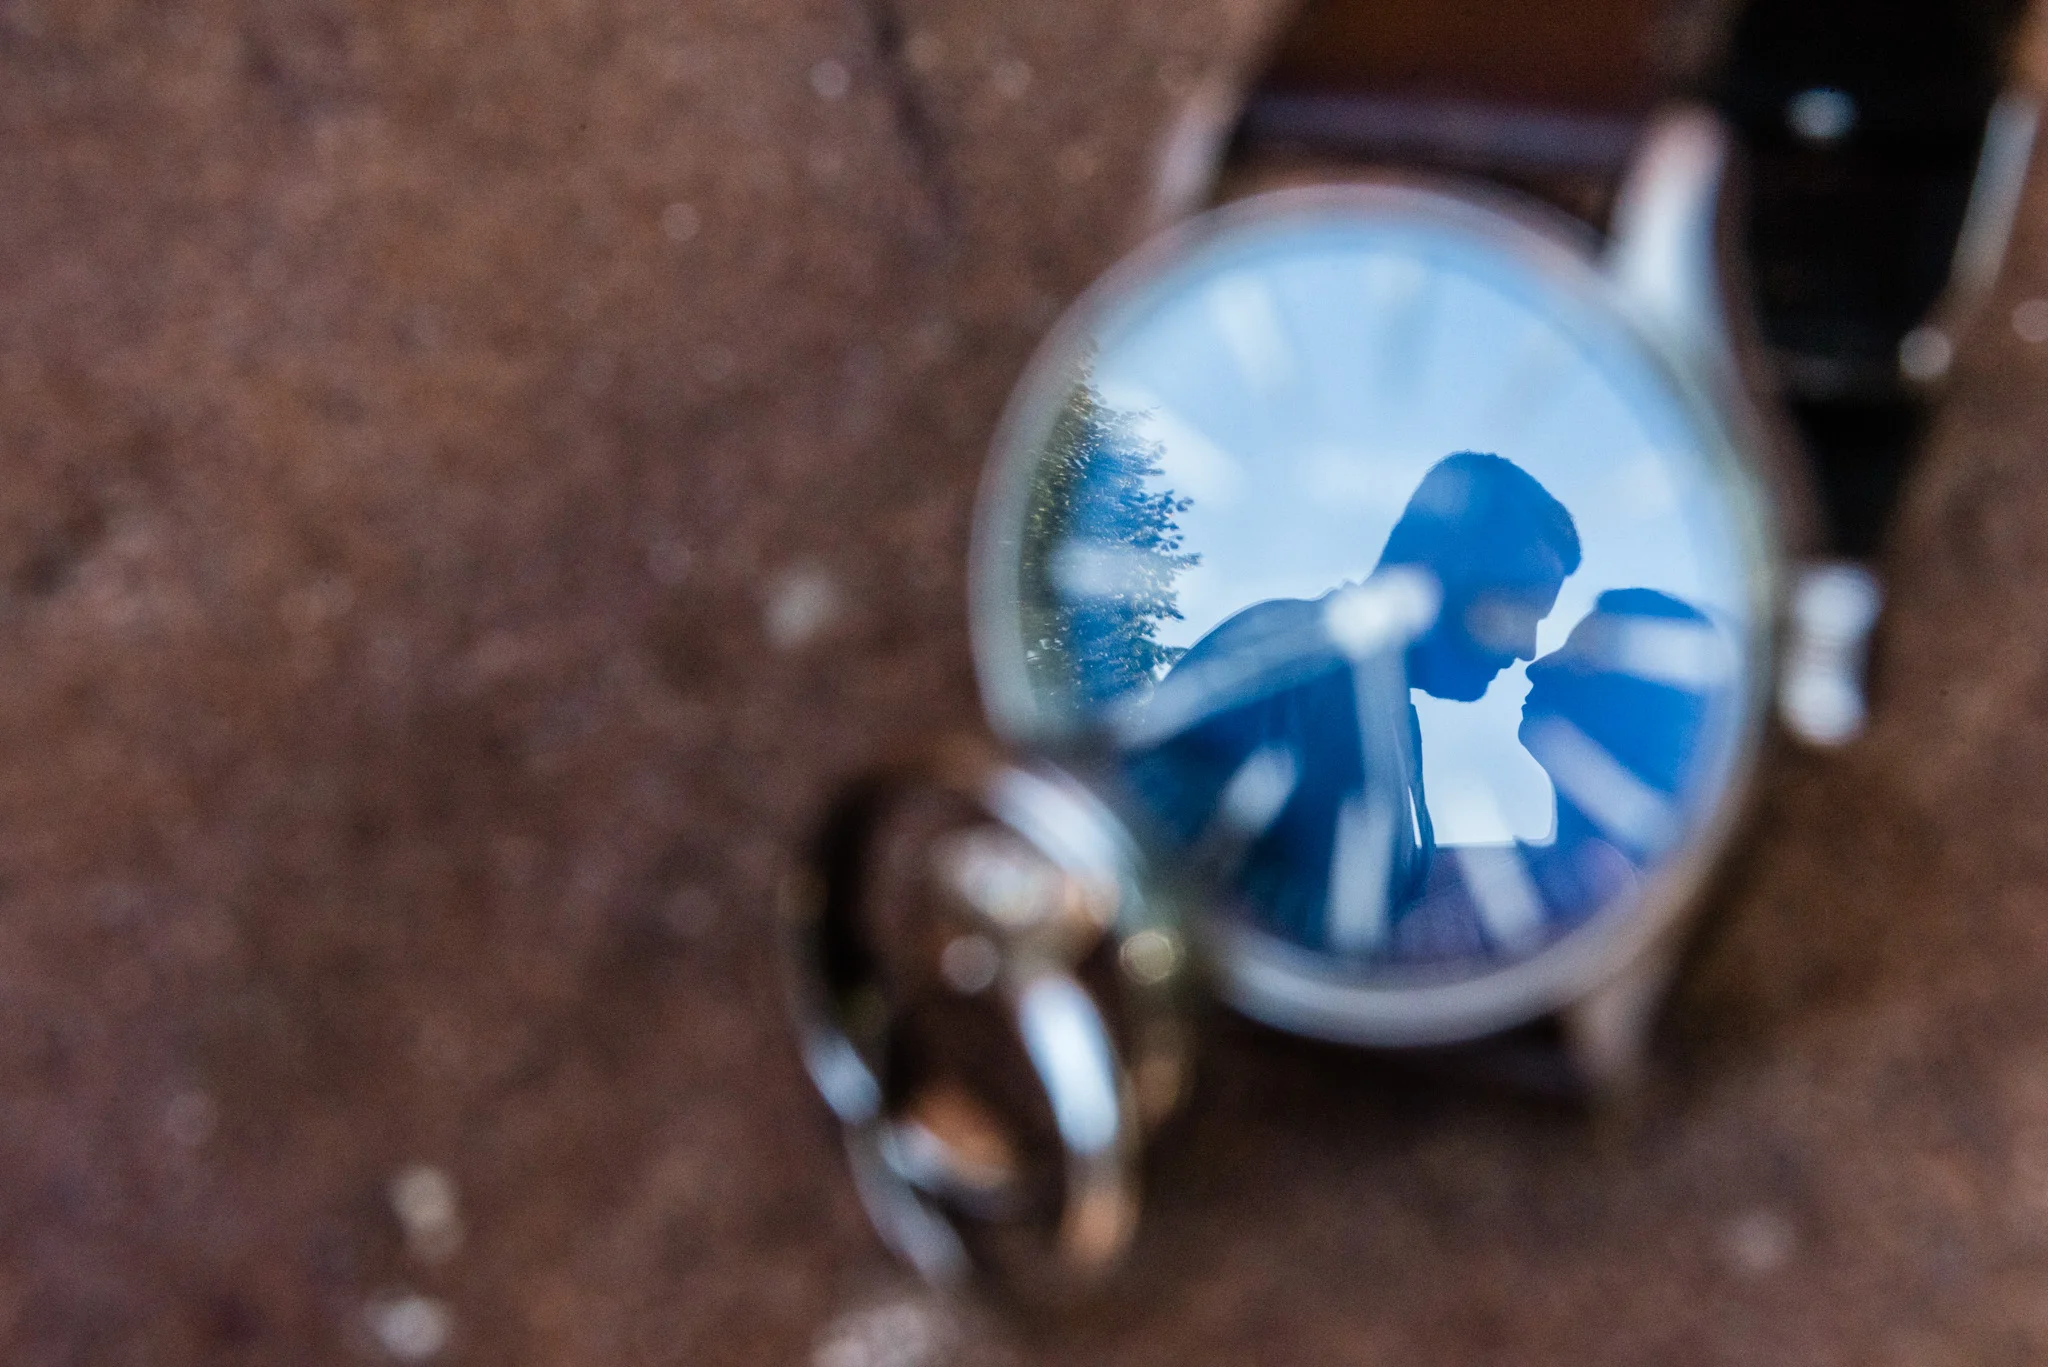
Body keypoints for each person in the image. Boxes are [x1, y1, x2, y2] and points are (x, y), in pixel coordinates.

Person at [1123, 451, 1580, 954]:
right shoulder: (1289, 660)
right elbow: (1149, 862)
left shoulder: (1388, 706)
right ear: (1445, 567)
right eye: (1523, 608)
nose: (1528, 648)